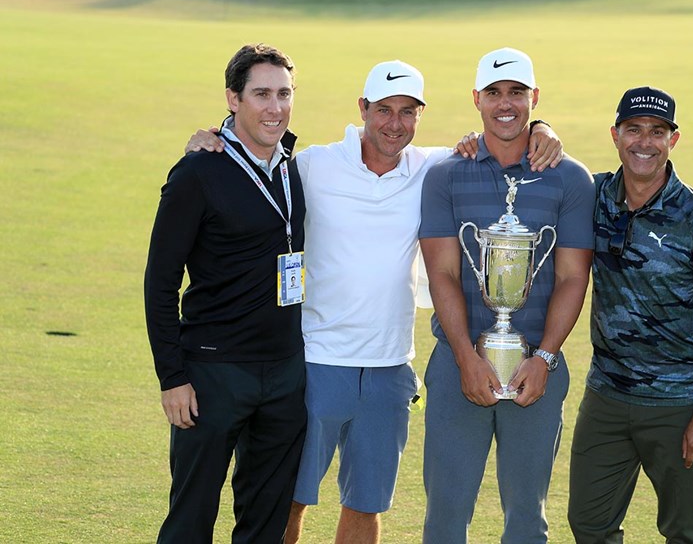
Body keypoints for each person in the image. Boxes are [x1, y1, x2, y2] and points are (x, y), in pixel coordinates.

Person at [183, 59, 565, 544]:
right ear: (362, 108)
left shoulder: (433, 167)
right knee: (288, 500)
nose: (394, 123)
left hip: (389, 369)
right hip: (315, 362)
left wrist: (541, 128)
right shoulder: (314, 164)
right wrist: (209, 137)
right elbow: (250, 151)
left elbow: (497, 140)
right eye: (383, 109)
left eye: (408, 112)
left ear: (420, 115)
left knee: (366, 504)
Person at [418, 47, 595, 544]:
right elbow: (443, 274)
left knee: (526, 521)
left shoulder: (571, 178)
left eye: (517, 92)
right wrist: (464, 359)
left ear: (535, 98)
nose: (505, 104)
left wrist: (543, 356)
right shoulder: (446, 174)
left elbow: (572, 279)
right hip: (457, 368)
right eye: (493, 93)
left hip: (536, 371)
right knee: (446, 519)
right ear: (476, 98)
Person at [144, 43, 308, 543]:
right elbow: (160, 280)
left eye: (284, 94)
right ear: (233, 99)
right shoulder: (197, 171)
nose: (274, 107)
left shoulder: (296, 167)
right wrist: (172, 377)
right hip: (213, 374)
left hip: (285, 374)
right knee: (190, 522)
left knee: (265, 524)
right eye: (261, 94)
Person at [567, 86, 693, 543]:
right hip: (605, 397)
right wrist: (540, 128)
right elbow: (542, 174)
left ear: (673, 140)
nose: (644, 142)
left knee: (684, 533)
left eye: (657, 132)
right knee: (589, 525)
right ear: (615, 134)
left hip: (677, 404)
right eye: (634, 129)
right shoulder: (596, 196)